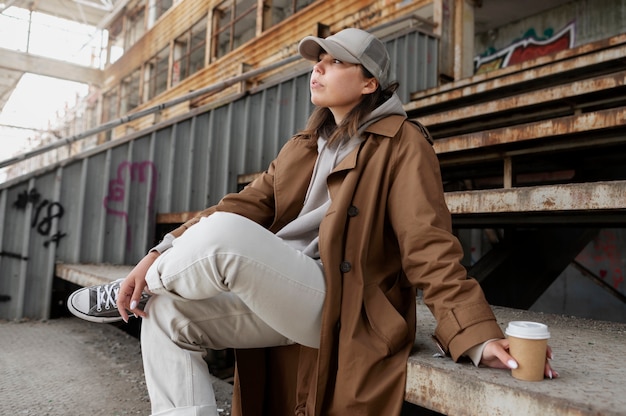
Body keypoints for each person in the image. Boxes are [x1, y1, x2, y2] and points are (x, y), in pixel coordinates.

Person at [68, 28, 557, 416]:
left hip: (346, 306)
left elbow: (428, 245)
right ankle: (152, 312)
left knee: (224, 238)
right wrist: (157, 251)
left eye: (336, 61)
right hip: (285, 295)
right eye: (317, 60)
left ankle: (133, 290)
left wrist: (475, 333)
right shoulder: (304, 145)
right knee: (165, 316)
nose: (318, 67)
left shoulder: (404, 143)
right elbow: (241, 204)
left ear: (369, 83)